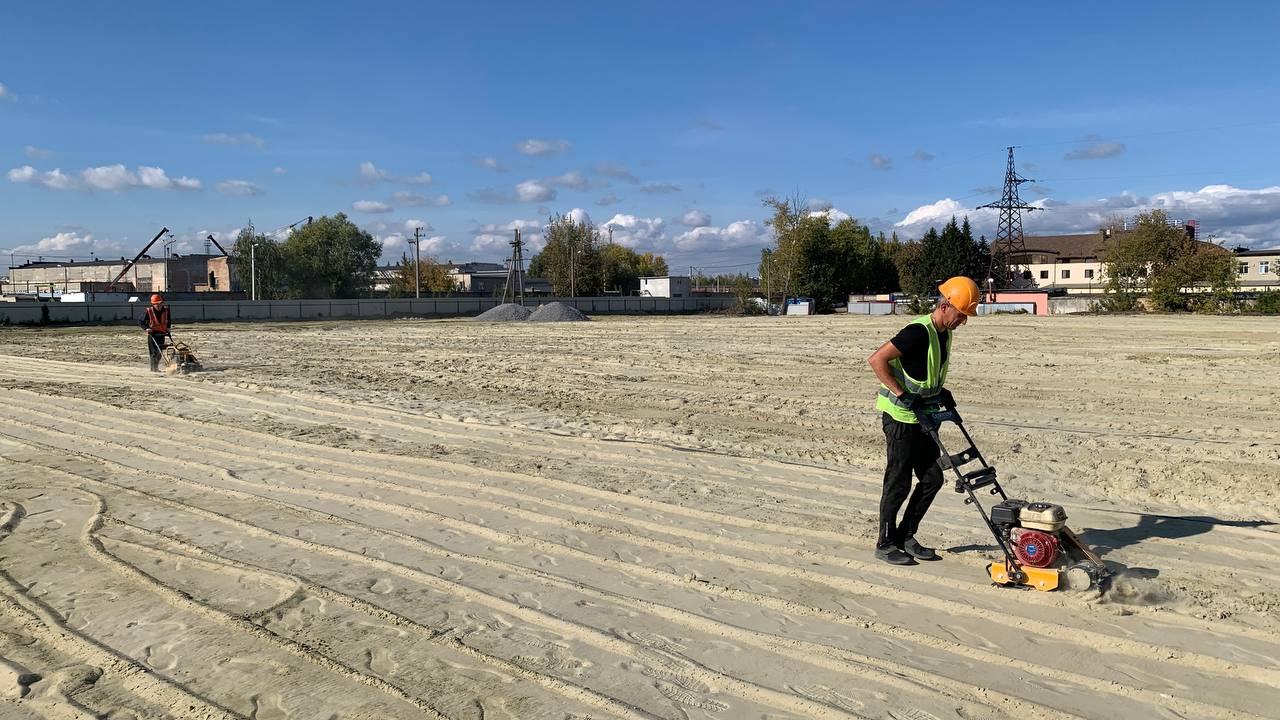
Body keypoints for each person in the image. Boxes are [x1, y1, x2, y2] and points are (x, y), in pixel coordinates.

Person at [866, 276, 979, 565]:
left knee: (932, 478)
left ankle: (906, 535)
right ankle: (885, 542)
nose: (963, 321)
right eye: (961, 314)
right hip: (901, 418)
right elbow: (876, 359)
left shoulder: (944, 333)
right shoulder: (918, 331)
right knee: (898, 480)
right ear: (945, 306)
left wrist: (941, 392)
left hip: (925, 416)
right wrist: (902, 394)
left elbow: (925, 371)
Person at [139, 293, 171, 372]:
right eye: (157, 304)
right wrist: (146, 328)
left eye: (161, 303)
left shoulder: (166, 310)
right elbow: (140, 321)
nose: (160, 305)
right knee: (154, 352)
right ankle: (154, 369)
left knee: (160, 352)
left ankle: (156, 367)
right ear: (154, 304)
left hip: (162, 333)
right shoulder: (148, 311)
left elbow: (168, 320)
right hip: (152, 334)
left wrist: (168, 327)